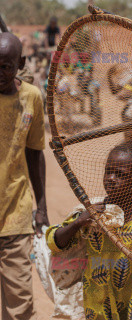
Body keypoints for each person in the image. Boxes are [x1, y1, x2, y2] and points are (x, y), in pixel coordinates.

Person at [46, 142, 132, 319]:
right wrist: (78, 223)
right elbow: (54, 241)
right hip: (95, 305)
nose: (111, 178)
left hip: (130, 306)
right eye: (108, 171)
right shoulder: (92, 212)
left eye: (120, 175)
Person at [0, 32, 49, 319]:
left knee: (19, 307)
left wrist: (41, 207)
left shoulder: (31, 97)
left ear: (20, 63)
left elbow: (34, 153)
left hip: (15, 218)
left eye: (6, 66)